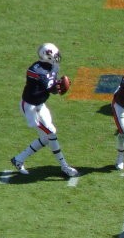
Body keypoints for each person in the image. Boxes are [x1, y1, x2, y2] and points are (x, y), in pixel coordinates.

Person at [10, 43, 79, 178]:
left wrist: (58, 85)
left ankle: (18, 159)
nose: (58, 57)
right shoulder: (35, 71)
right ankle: (64, 166)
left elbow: (51, 87)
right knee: (51, 133)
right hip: (30, 108)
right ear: (48, 56)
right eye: (55, 55)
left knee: (46, 137)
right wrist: (57, 87)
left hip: (40, 105)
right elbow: (50, 87)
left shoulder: (53, 66)